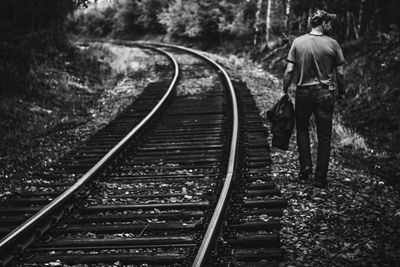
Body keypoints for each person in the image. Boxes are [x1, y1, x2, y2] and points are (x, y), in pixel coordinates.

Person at [282, 9, 345, 188]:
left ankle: (305, 168)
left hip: (303, 93)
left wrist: (284, 90)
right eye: (329, 23)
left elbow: (288, 71)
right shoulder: (333, 44)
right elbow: (340, 73)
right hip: (325, 93)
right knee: (324, 136)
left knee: (301, 130)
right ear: (323, 24)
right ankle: (320, 178)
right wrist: (342, 92)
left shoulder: (298, 42)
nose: (331, 26)